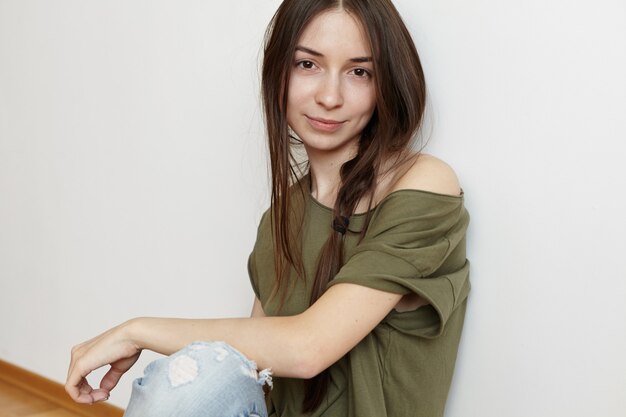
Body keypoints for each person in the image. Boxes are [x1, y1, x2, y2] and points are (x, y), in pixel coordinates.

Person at [65, 0, 470, 416]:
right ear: (279, 72)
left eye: (359, 72)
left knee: (191, 380)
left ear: (386, 85)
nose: (330, 96)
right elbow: (254, 372)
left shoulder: (424, 185)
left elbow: (308, 348)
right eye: (307, 65)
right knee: (192, 384)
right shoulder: (282, 216)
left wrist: (137, 331)